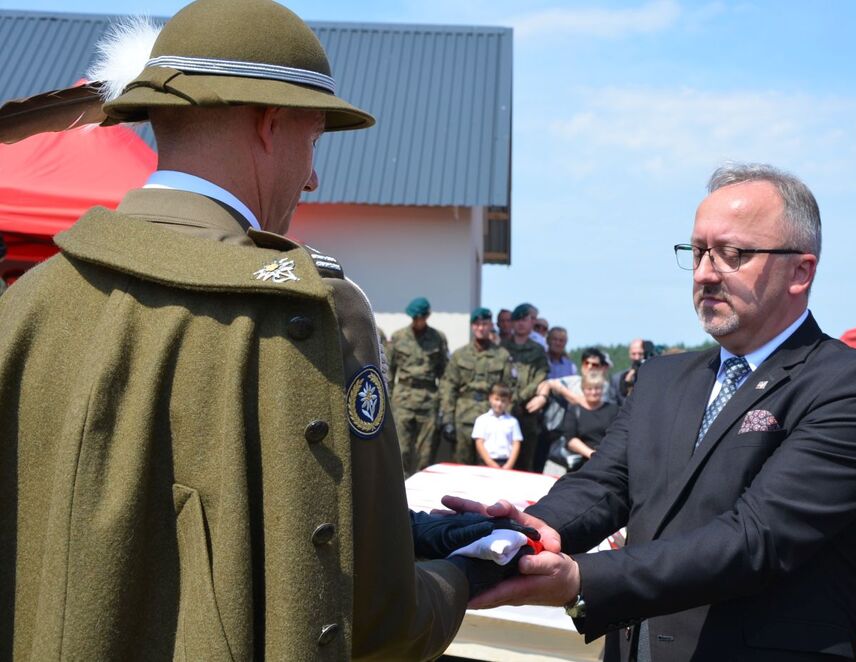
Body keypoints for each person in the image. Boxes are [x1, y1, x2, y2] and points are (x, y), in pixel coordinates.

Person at [0, 2, 515, 659]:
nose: (313, 175)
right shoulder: (310, 314)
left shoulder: (24, 306)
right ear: (272, 124)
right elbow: (381, 620)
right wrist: (474, 570)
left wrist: (426, 531)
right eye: (313, 142)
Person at [446, 162, 856, 661]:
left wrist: (581, 579)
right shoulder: (664, 379)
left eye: (733, 253)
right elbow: (604, 484)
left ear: (801, 271)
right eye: (698, 251)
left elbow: (758, 539)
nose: (706, 272)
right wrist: (528, 532)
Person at [439, 307, 514, 465]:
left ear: (490, 326)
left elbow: (509, 389)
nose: (481, 328)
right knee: (462, 466)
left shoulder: (502, 355)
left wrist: (507, 421)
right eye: (477, 324)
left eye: (485, 324)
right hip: (463, 418)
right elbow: (448, 387)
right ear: (472, 326)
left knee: (488, 468)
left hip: (493, 420)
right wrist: (447, 420)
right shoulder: (459, 355)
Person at [388, 296, 449, 476]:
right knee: (401, 450)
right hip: (403, 399)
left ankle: (422, 493)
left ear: (427, 316)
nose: (416, 321)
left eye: (420, 318)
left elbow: (445, 373)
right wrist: (388, 400)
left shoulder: (438, 338)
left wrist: (443, 404)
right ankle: (400, 492)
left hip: (428, 399)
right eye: (413, 317)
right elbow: (389, 371)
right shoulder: (398, 337)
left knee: (426, 453)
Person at [503, 303, 550, 471]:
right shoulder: (502, 348)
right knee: (502, 458)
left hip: (527, 411)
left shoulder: (537, 350)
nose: (520, 324)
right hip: (504, 410)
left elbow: (541, 375)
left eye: (524, 320)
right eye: (517, 320)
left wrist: (523, 394)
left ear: (531, 323)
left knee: (525, 461)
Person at [560, 370, 618, 467]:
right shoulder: (574, 410)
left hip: (610, 461)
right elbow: (570, 440)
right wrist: (592, 454)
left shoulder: (614, 410)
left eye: (597, 388)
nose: (593, 392)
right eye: (589, 389)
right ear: (583, 389)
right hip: (583, 463)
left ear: (602, 389)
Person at [471, 384, 523, 470]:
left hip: (505, 463)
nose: (499, 404)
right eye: (496, 399)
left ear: (509, 402)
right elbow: (479, 443)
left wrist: (509, 464)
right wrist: (490, 463)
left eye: (503, 401)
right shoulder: (482, 420)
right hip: (485, 462)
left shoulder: (513, 422)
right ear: (490, 398)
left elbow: (516, 444)